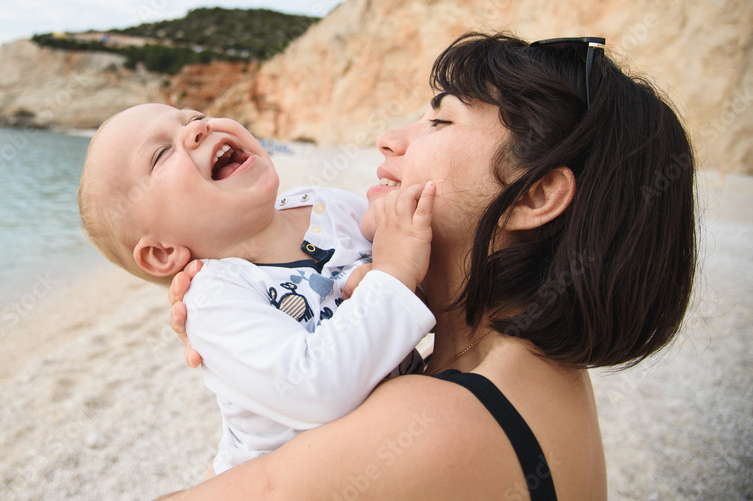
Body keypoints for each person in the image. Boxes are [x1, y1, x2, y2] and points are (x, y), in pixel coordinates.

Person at [162, 32, 697, 499]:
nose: (388, 138)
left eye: (440, 120)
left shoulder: (438, 420)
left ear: (533, 197)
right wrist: (243, 316)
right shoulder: (527, 374)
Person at [77, 103, 438, 474]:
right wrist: (391, 274)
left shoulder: (328, 205)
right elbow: (317, 389)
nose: (197, 130)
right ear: (163, 252)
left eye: (195, 117)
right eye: (161, 153)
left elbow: (419, 271)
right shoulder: (214, 299)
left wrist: (393, 268)